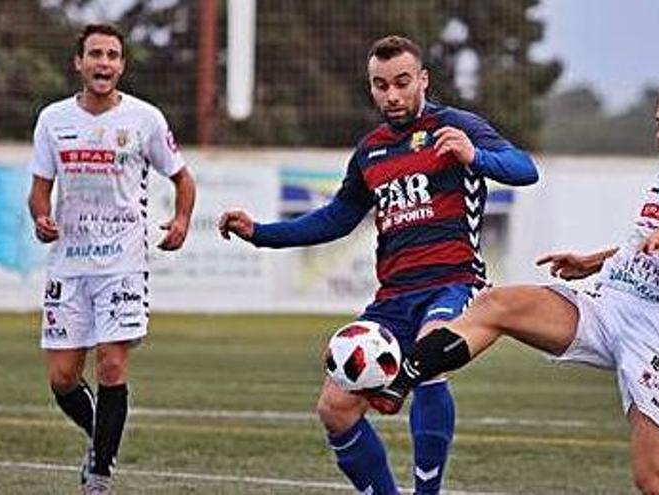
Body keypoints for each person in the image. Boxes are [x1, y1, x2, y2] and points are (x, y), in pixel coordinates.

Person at [369, 74, 659, 495]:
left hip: (656, 329)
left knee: (655, 483)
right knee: (496, 305)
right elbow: (644, 243)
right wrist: (594, 261)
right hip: (607, 304)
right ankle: (403, 376)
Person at [219, 35, 537, 494]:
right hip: (392, 299)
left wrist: (475, 156)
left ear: (423, 80)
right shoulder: (371, 151)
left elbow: (525, 168)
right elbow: (337, 218)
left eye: (402, 83)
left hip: (454, 283)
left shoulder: (456, 127)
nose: (392, 95)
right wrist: (261, 233)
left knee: (431, 354)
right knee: (335, 408)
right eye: (380, 85)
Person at [28, 23, 196, 493]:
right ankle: (101, 438)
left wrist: (180, 222)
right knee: (63, 378)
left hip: (122, 261)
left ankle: (99, 475)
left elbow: (184, 178)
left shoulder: (144, 119)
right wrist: (42, 218)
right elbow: (39, 192)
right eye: (95, 54)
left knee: (111, 365)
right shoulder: (52, 120)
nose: (104, 63)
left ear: (122, 65)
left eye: (113, 55)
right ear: (79, 63)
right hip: (69, 262)